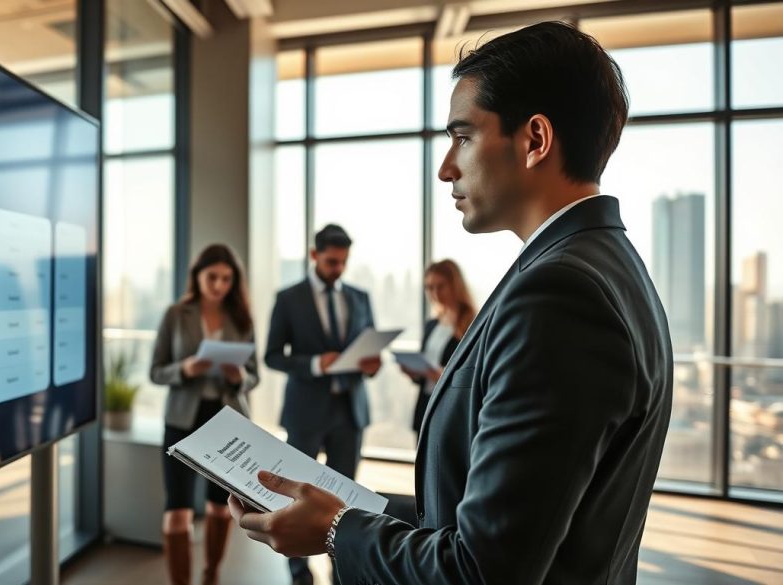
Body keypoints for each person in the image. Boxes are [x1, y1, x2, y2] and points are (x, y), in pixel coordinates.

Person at [229, 21, 673, 585]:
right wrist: (342, 512)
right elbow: (497, 521)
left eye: (462, 136)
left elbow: (483, 570)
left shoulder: (559, 294)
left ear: (534, 140)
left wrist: (337, 531)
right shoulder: (602, 262)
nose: (446, 167)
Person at [264, 223, 381, 585]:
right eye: (331, 261)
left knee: (347, 501)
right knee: (294, 495)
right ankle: (300, 575)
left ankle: (340, 570)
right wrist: (316, 363)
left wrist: (372, 365)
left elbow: (369, 347)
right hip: (306, 412)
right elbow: (271, 356)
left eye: (343, 262)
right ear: (314, 255)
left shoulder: (360, 297)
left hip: (350, 411)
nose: (338, 269)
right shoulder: (288, 298)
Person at [150, 243, 260, 585]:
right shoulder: (175, 315)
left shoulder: (241, 319)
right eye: (212, 277)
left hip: (226, 422)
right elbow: (155, 371)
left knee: (218, 508)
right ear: (197, 276)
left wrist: (238, 377)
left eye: (227, 279)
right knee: (177, 514)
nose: (219, 285)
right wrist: (186, 368)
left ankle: (211, 575)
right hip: (182, 420)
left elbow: (254, 376)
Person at [401, 260, 476, 438]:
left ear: (455, 285)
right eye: (429, 288)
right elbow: (425, 367)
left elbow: (475, 372)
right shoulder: (432, 325)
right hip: (426, 402)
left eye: (440, 286)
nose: (435, 293)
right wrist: (414, 372)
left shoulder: (472, 324)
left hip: (452, 406)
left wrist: (443, 376)